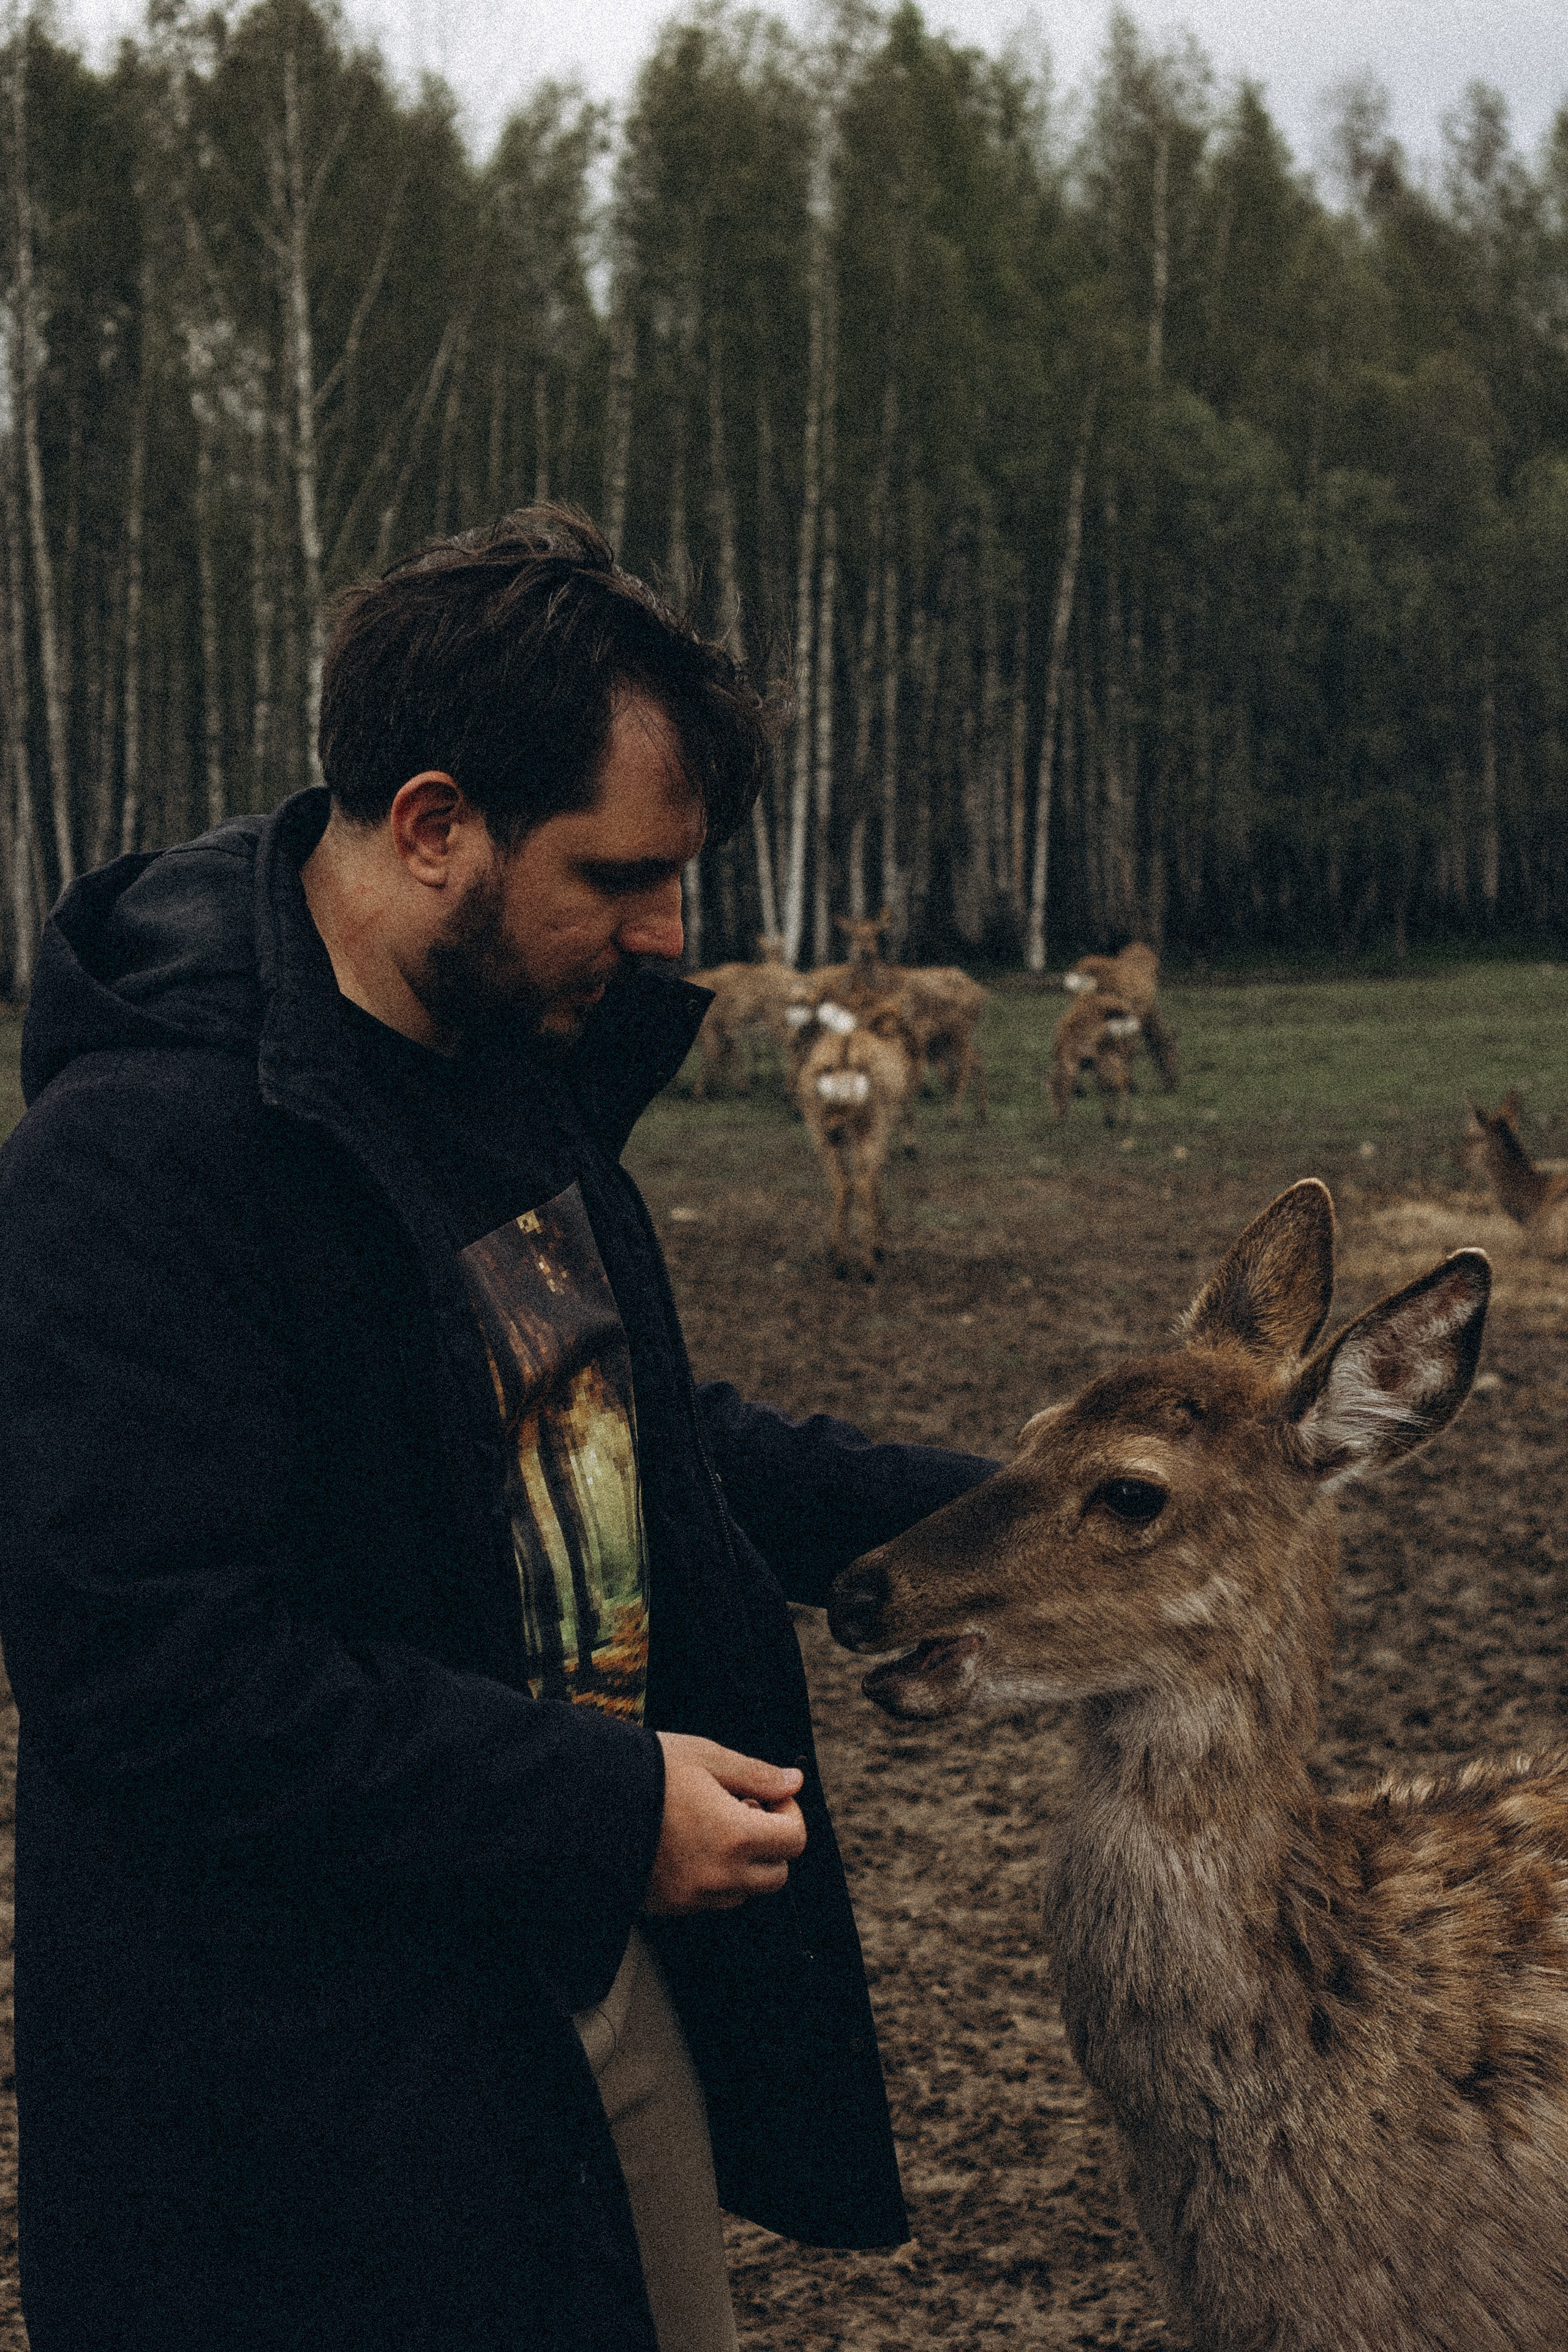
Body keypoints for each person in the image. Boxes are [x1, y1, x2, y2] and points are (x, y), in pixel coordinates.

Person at [0, 507, 996, 2352]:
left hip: (570, 1978)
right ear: (434, 823)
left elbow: (614, 1430)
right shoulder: (142, 1158)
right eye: (620, 875)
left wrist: (1014, 1519)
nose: (670, 936)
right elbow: (148, 1668)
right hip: (302, 2089)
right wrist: (606, 1810)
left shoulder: (496, 1063)